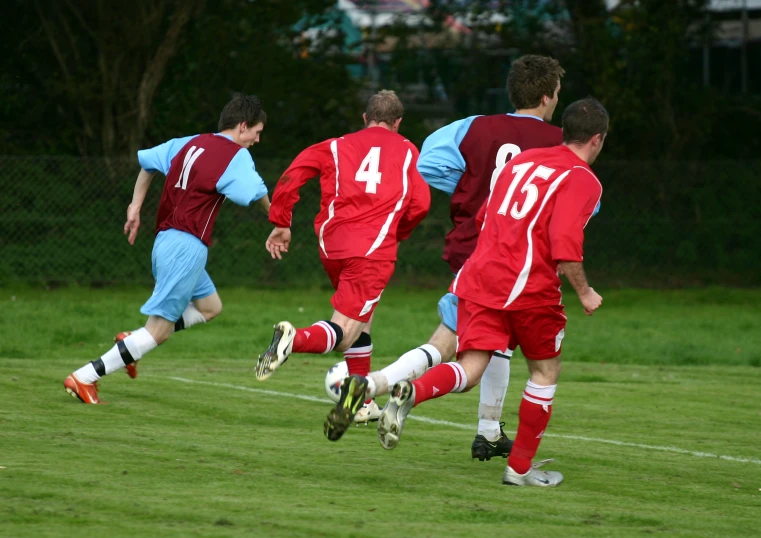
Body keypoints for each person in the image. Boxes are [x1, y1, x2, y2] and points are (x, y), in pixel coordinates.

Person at [325, 55, 567, 456]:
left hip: (471, 245)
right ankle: (374, 385)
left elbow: (428, 162)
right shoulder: (557, 140)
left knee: (485, 345)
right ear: (546, 96)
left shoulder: (474, 126)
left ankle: (487, 431)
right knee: (451, 345)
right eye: (557, 93)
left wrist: (471, 187)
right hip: (515, 259)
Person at [374, 97, 608, 488]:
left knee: (470, 368)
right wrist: (584, 292)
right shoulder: (583, 179)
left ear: (565, 131)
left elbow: (485, 216)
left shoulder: (520, 164)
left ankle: (411, 391)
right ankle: (518, 469)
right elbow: (565, 241)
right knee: (545, 372)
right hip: (528, 288)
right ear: (597, 139)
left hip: (479, 278)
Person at [64, 94, 271, 404]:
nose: (257, 139)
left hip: (165, 242)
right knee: (158, 332)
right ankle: (85, 376)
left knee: (210, 307)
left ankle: (133, 342)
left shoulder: (189, 142)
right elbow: (254, 192)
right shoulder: (235, 155)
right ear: (243, 126)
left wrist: (134, 206)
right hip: (186, 249)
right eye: (257, 132)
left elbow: (147, 163)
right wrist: (279, 221)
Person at [255, 90, 431, 434]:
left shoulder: (335, 145)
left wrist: (281, 220)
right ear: (398, 123)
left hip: (333, 246)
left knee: (362, 320)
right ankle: (295, 338)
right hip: (373, 250)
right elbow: (421, 203)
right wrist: (398, 231)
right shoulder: (408, 150)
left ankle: (362, 404)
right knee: (346, 333)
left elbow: (295, 172)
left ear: (365, 118)